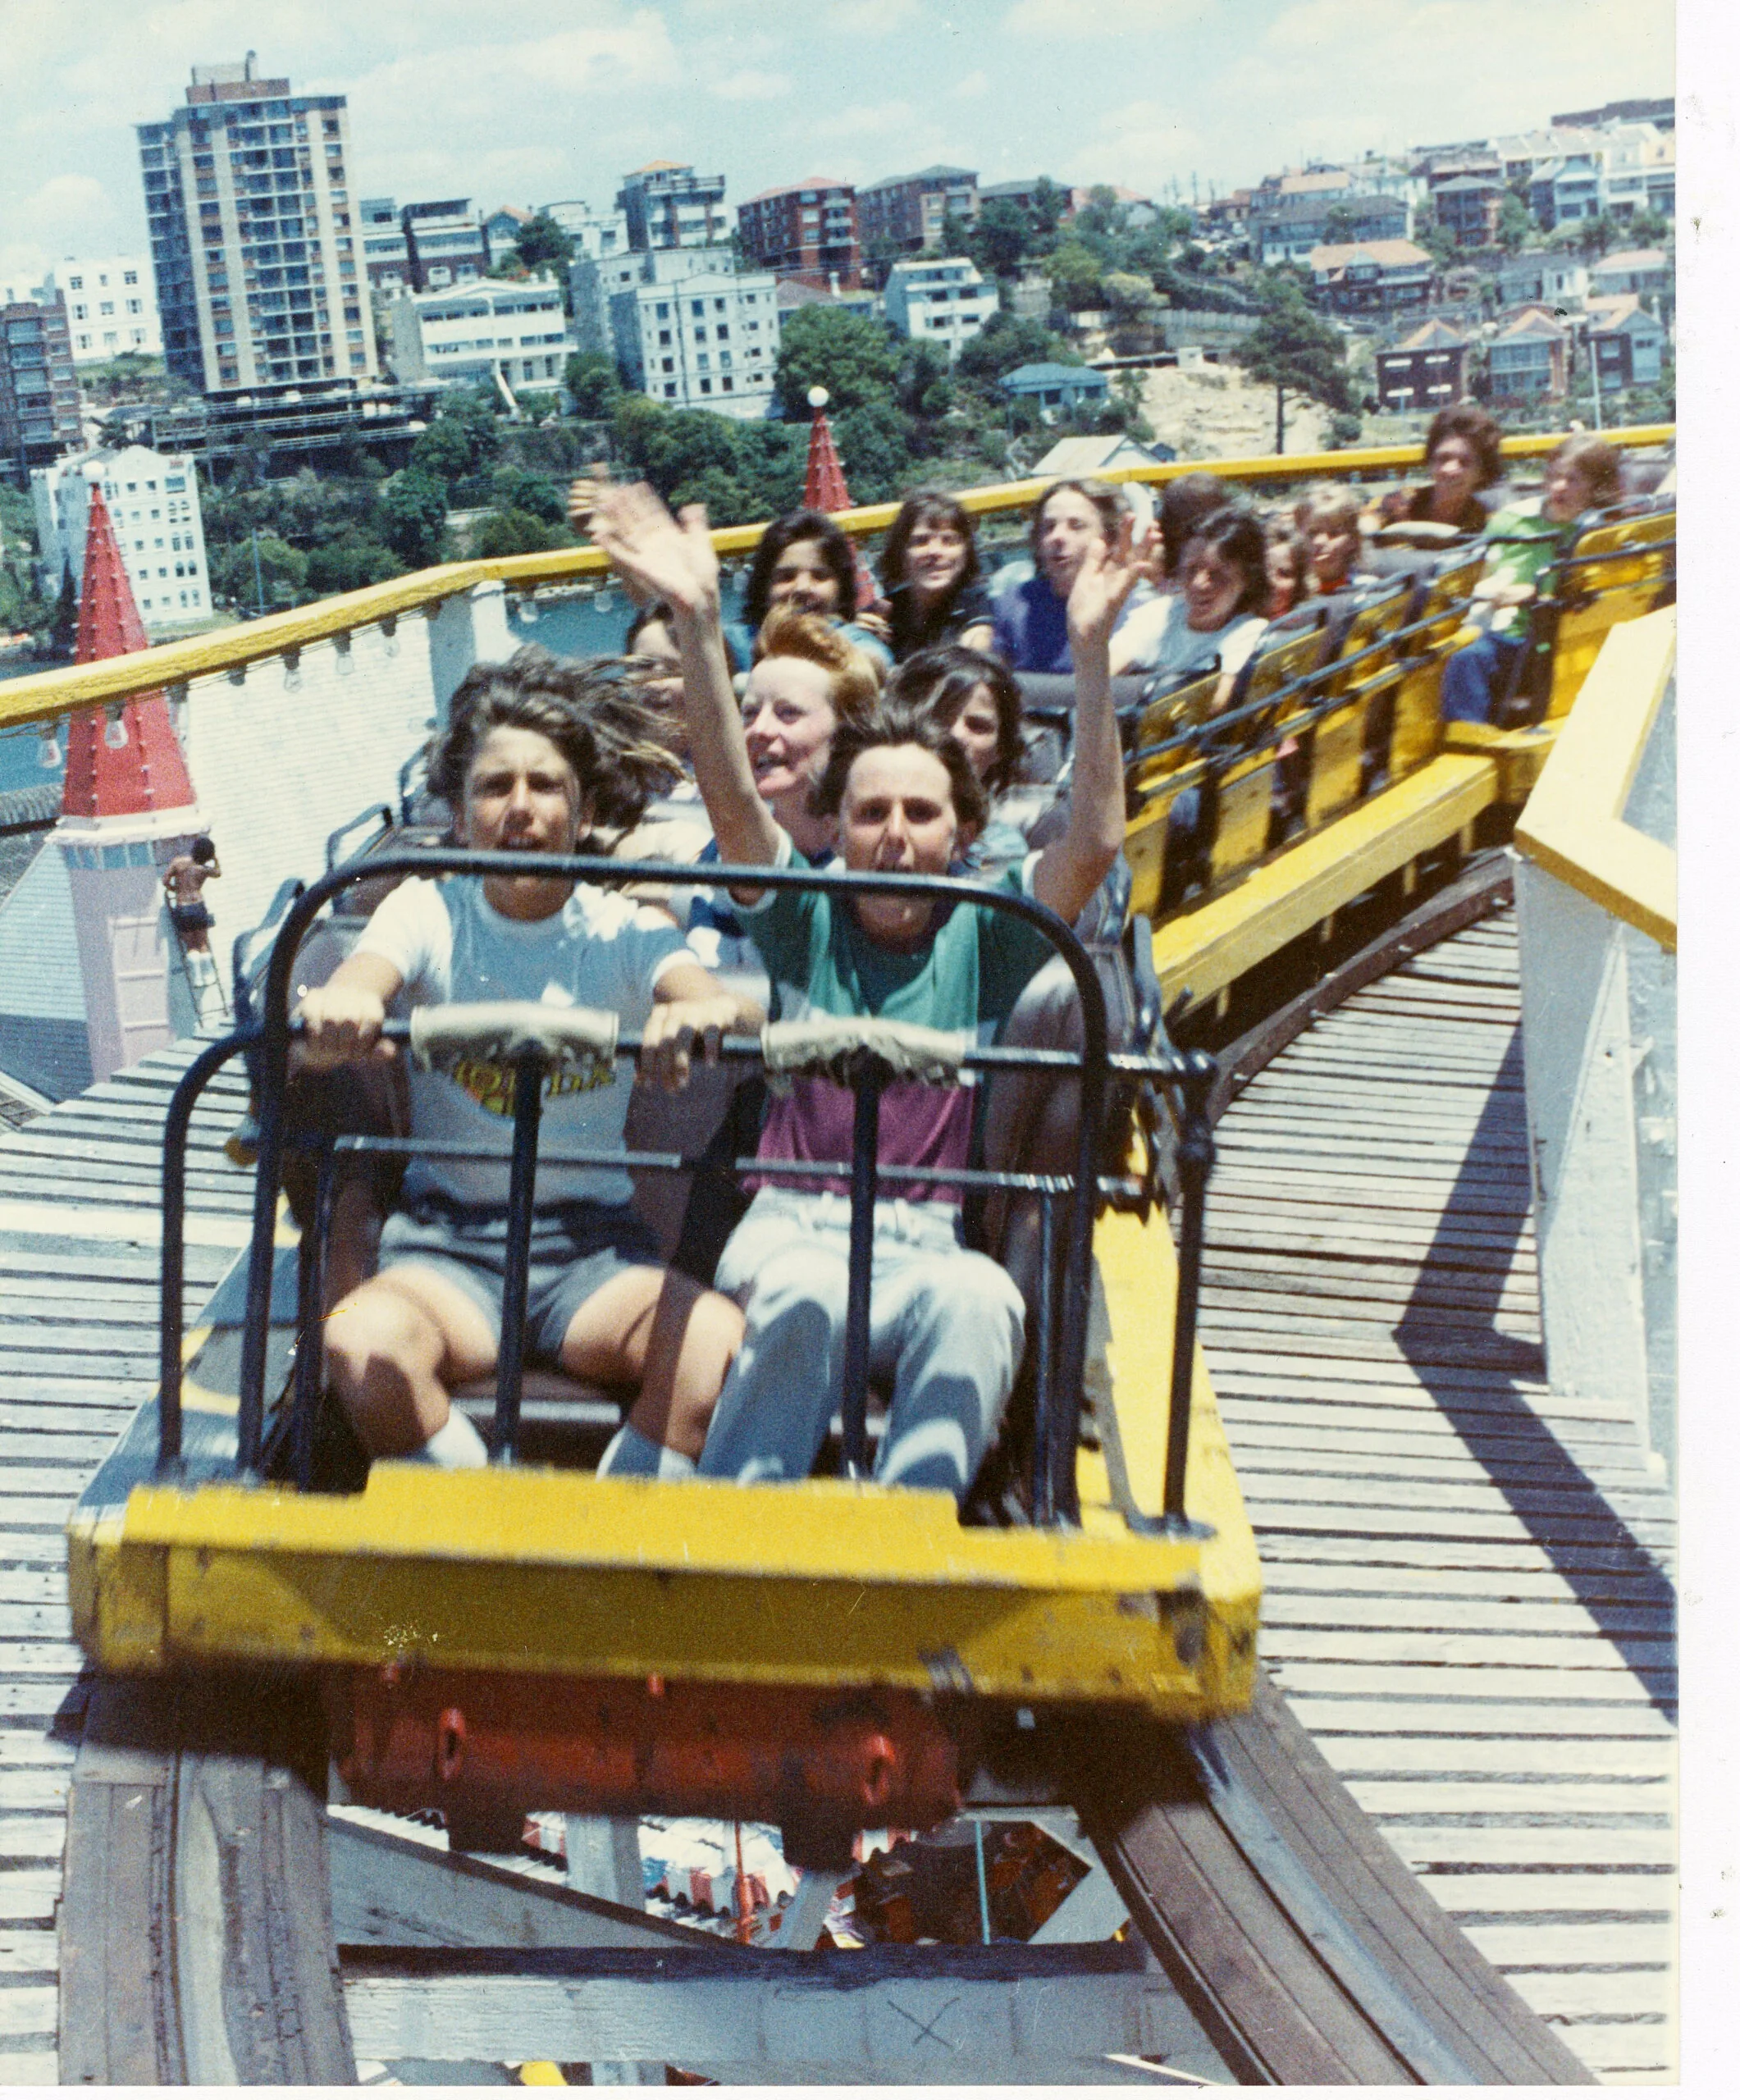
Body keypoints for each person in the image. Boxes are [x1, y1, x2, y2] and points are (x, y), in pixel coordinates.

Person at [592, 482, 1140, 1500]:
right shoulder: (807, 918)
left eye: (920, 814)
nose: (894, 834)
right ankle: (736, 1536)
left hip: (924, 1239)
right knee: (800, 1306)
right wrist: (700, 625)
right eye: (871, 810)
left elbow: (1096, 841)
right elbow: (731, 792)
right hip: (796, 1225)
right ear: (838, 824)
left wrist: (1094, 652)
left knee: (983, 1302)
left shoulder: (990, 932)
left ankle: (909, 1534)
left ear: (960, 833)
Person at [293, 649, 762, 1475]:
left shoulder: (624, 927)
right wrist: (351, 1004)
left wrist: (691, 1014)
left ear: (580, 810)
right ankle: (479, 1509)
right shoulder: (427, 910)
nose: (521, 807)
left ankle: (619, 1524)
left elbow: (695, 990)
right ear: (461, 809)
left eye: (545, 786)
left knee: (712, 1339)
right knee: (360, 1345)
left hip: (592, 1258)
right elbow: (367, 974)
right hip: (451, 1252)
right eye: (494, 787)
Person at [683, 605, 882, 978]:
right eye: (750, 712)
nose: (758, 730)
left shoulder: (867, 862)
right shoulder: (717, 853)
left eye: (788, 713)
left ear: (847, 734)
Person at [1439, 435, 1624, 725]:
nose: (1558, 487)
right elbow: (1474, 573)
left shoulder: (1598, 535)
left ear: (1595, 487)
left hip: (1556, 640)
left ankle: (1469, 737)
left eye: (1572, 480)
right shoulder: (1511, 520)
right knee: (1450, 653)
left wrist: (1532, 595)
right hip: (1497, 630)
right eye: (1554, 477)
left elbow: (1593, 597)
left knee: (1469, 660)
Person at [1109, 505, 1271, 705]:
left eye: (1217, 575)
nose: (1198, 583)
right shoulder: (1158, 613)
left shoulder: (1250, 632)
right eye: (1191, 569)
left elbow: (1218, 702)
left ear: (1247, 581)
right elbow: (1106, 671)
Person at [887, 645, 1030, 868]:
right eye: (938, 718)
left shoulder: (1004, 850)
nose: (956, 736)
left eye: (978, 726)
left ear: (1000, 750)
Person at [726, 508, 893, 674]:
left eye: (819, 576)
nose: (802, 588)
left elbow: (874, 660)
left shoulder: (851, 640)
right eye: (786, 576)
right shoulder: (739, 641)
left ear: (841, 590)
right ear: (764, 587)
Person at [989, 478, 1129, 673]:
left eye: (1076, 525)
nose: (1058, 537)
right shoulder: (1013, 603)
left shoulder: (1137, 613)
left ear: (1109, 538)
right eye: (1048, 526)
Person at [879, 492, 995, 661]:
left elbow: (980, 640)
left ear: (966, 552)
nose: (934, 551)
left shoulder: (983, 604)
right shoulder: (886, 611)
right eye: (920, 541)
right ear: (900, 553)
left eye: (949, 540)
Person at [1382, 404, 1505, 536]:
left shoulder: (1489, 523)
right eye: (1443, 459)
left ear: (1482, 473)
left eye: (1465, 462)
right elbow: (1364, 528)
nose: (1450, 469)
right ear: (1430, 462)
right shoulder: (1396, 503)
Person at [1294, 485, 1371, 596]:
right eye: (1312, 533)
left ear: (1353, 540)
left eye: (1334, 533)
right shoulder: (1289, 596)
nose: (1319, 542)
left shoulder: (1367, 590)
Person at [164, 835, 221, 952]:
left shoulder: (178, 862)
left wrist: (174, 889)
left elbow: (165, 880)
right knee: (203, 945)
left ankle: (195, 969)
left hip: (183, 907)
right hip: (198, 906)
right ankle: (206, 968)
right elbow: (218, 873)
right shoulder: (204, 869)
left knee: (191, 947)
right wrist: (215, 859)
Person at [1263, 517, 1311, 619]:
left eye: (1284, 574)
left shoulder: (1307, 626)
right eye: (1264, 571)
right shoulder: (1231, 624)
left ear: (1299, 584)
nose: (1272, 582)